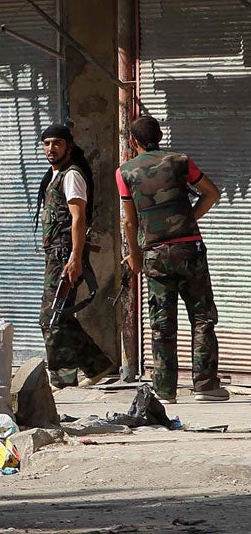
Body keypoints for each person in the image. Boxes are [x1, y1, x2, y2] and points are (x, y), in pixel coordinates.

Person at [117, 115, 229, 403]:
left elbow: (129, 223)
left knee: (162, 323)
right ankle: (205, 386)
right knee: (202, 317)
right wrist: (187, 220)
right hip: (189, 249)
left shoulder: (125, 172)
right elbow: (212, 193)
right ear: (160, 136)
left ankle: (165, 391)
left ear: (133, 141)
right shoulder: (180, 160)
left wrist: (135, 256)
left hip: (155, 253)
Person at [37, 124, 115, 390]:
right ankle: (96, 364)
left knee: (52, 317)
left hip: (64, 255)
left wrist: (74, 257)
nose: (51, 149)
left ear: (69, 146)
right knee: (59, 315)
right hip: (57, 254)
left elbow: (78, 218)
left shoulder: (71, 175)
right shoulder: (55, 175)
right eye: (46, 143)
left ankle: (63, 378)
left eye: (56, 143)